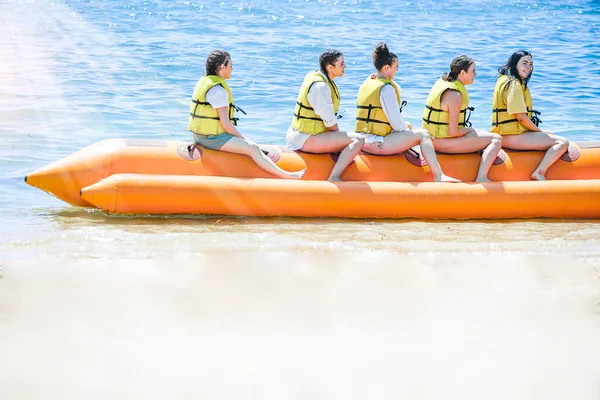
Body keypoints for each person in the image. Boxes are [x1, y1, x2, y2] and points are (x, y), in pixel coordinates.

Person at [189, 49, 305, 179]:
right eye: (231, 66)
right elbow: (226, 125)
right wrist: (244, 139)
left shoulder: (206, 82)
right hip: (211, 138)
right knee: (253, 148)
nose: (232, 69)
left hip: (199, 136)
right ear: (222, 67)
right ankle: (286, 175)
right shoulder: (218, 90)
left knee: (248, 144)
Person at [355, 42, 461, 183]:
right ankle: (439, 176)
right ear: (386, 67)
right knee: (423, 134)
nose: (397, 71)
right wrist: (409, 135)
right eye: (396, 67)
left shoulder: (370, 81)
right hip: (376, 143)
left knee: (409, 126)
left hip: (363, 139)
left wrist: (407, 131)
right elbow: (397, 125)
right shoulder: (386, 90)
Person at [287, 49, 365, 181]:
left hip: (301, 134)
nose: (345, 66)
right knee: (358, 140)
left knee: (348, 138)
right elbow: (329, 122)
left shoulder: (316, 75)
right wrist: (339, 143)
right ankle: (334, 176)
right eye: (342, 64)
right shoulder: (320, 87)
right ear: (330, 67)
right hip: (305, 138)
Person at [422, 55, 502, 182]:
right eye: (473, 71)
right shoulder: (455, 94)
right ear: (462, 72)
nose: (475, 74)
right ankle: (481, 177)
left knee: (482, 133)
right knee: (496, 139)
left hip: (432, 139)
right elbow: (453, 132)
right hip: (440, 142)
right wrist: (469, 130)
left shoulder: (444, 82)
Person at [491, 50, 569, 180]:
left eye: (531, 64)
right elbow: (520, 117)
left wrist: (541, 133)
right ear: (515, 64)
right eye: (524, 63)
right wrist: (539, 131)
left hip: (506, 134)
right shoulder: (514, 84)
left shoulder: (506, 81)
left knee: (550, 134)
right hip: (511, 136)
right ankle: (539, 172)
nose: (528, 67)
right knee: (562, 142)